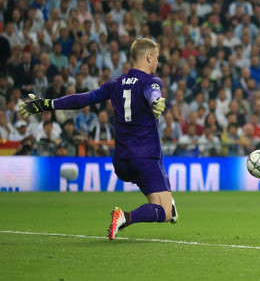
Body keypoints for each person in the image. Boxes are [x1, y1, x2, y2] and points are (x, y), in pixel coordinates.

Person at [19, 38, 177, 240]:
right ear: (148, 57)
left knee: (161, 204)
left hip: (121, 162)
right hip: (145, 157)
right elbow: (152, 93)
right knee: (165, 213)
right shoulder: (152, 80)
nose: (157, 63)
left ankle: (166, 202)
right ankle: (126, 217)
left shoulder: (115, 83)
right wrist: (156, 101)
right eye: (156, 59)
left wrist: (47, 104)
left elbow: (83, 99)